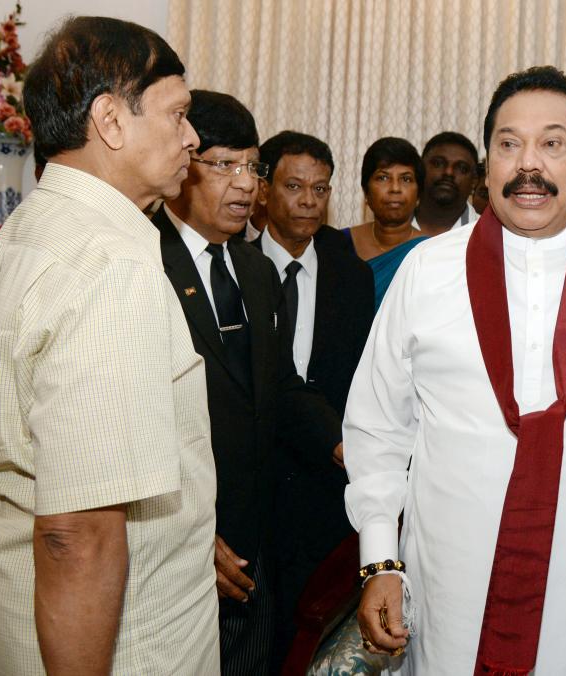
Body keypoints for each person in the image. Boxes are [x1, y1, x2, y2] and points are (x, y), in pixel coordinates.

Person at [344, 65, 566, 675]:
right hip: (452, 589)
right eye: (509, 144)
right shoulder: (426, 271)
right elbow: (377, 428)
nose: (527, 165)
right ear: (488, 164)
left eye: (552, 143)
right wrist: (381, 560)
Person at [0, 16, 219, 675]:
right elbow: (78, 535)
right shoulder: (108, 263)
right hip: (124, 649)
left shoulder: (23, 234)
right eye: (178, 115)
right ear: (112, 121)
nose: (192, 137)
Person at [153, 91, 343, 675]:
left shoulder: (255, 271)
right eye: (224, 165)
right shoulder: (142, 262)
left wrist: (346, 444)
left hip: (255, 549)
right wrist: (186, 533)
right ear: (185, 164)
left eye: (252, 167)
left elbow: (279, 388)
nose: (245, 185)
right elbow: (129, 418)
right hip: (173, 551)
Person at [251, 129, 374, 666]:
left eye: (320, 189)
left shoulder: (352, 273)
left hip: (327, 486)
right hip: (255, 483)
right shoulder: (233, 264)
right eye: (295, 186)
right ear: (264, 189)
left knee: (312, 639)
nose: (307, 201)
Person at [343, 137, 428, 310]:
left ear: (418, 195)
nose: (395, 188)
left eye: (406, 179)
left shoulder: (429, 252)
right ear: (366, 193)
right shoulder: (339, 243)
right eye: (383, 178)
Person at [415, 131, 480, 234]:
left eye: (461, 168)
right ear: (420, 169)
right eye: (438, 163)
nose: (448, 172)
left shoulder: (489, 234)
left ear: (474, 181)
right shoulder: (390, 226)